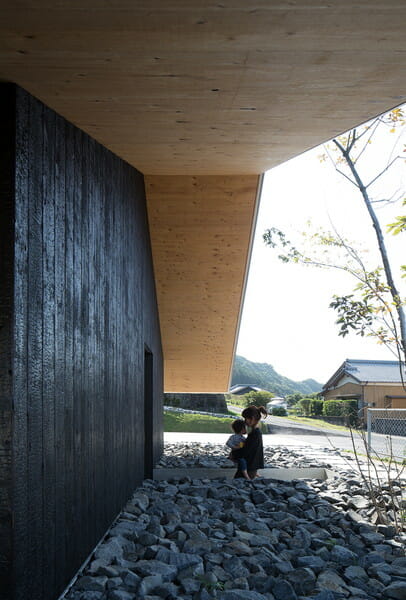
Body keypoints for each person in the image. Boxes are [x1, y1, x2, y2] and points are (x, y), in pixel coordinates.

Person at [232, 405, 267, 479]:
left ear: (252, 418)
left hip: (249, 467)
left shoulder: (254, 434)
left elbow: (246, 451)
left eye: (246, 418)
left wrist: (233, 454)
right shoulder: (256, 433)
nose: (245, 421)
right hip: (251, 467)